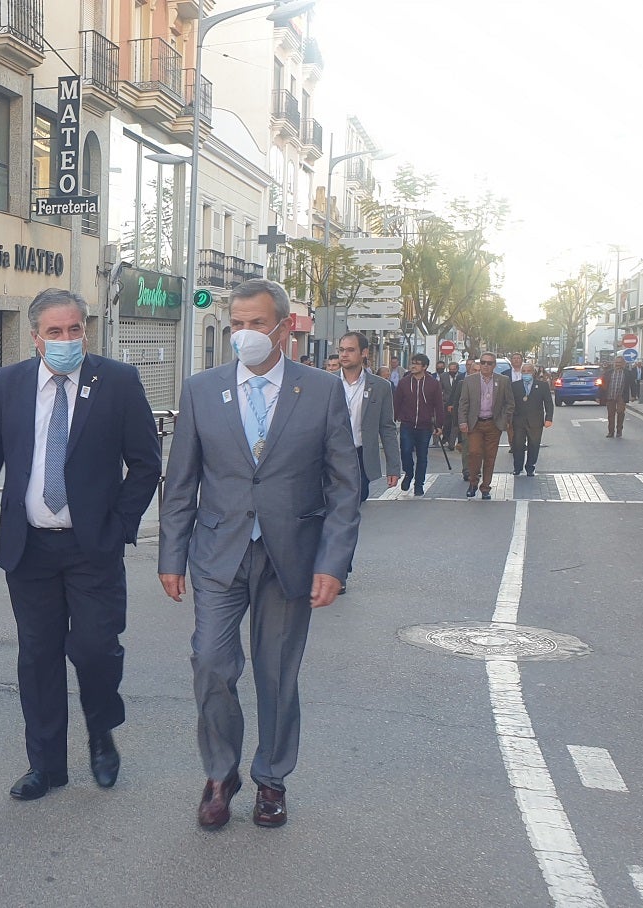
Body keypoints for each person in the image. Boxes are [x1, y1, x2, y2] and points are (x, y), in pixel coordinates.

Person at [158, 278, 360, 831]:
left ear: (283, 327)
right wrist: (170, 556)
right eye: (236, 324)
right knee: (211, 664)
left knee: (276, 675)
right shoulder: (202, 389)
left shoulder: (319, 391)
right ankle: (220, 774)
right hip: (218, 551)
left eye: (255, 324)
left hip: (288, 556)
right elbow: (181, 482)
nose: (244, 334)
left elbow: (345, 486)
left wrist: (332, 563)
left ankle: (272, 778)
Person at [0, 288, 162, 801]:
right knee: (38, 657)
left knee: (94, 650)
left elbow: (146, 462)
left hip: (94, 546)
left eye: (74, 330)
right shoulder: (9, 383)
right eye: (55, 332)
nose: (67, 339)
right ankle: (45, 766)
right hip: (30, 548)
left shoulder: (116, 381)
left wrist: (121, 524)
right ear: (35, 337)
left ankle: (100, 730)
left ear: (85, 331)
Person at [336, 332, 399, 505]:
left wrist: (393, 467)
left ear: (364, 353)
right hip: (332, 455)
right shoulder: (327, 382)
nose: (344, 354)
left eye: (350, 350)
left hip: (360, 456)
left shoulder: (380, 387)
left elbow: (387, 428)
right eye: (341, 350)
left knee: (357, 503)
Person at [458, 351, 513, 500]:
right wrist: (462, 421)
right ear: (480, 364)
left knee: (490, 457)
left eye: (489, 363)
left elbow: (510, 403)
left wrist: (504, 420)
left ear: (494, 365)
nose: (486, 366)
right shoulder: (470, 380)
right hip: (475, 424)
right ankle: (473, 482)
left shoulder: (503, 380)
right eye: (483, 362)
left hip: (493, 424)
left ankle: (486, 487)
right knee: (474, 453)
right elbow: (463, 403)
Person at [394, 353, 446, 496]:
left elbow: (439, 406)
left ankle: (419, 484)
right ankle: (408, 473)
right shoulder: (404, 382)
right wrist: (392, 419)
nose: (413, 366)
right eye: (412, 363)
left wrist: (439, 425)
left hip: (425, 425)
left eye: (417, 363)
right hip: (407, 424)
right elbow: (396, 402)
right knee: (405, 451)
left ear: (424, 366)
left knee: (422, 456)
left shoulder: (433, 383)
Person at [508, 363, 554, 476]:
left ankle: (530, 467)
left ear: (533, 372)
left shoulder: (542, 385)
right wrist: (508, 419)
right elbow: (509, 403)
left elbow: (548, 403)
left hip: (536, 421)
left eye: (529, 371)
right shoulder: (514, 386)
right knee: (518, 445)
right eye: (524, 371)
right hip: (518, 420)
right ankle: (517, 467)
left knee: (534, 445)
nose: (526, 373)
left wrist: (548, 418)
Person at [596, 355, 638, 438]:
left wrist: (633, 395)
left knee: (620, 412)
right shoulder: (608, 372)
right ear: (614, 363)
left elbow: (633, 385)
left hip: (621, 396)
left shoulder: (628, 373)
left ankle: (619, 430)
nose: (618, 364)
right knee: (610, 414)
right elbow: (602, 385)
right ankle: (611, 432)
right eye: (616, 362)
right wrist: (599, 396)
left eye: (620, 363)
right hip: (610, 395)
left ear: (623, 364)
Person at [439, 360, 463, 450]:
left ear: (457, 369)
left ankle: (454, 443)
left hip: (458, 403)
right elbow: (440, 389)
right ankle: (446, 438)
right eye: (450, 369)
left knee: (455, 424)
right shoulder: (443, 376)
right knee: (447, 423)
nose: (452, 371)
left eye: (454, 369)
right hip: (446, 402)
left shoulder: (461, 377)